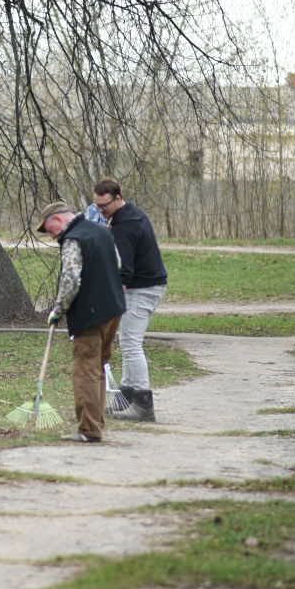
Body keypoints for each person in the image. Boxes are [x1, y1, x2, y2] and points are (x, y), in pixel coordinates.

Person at [36, 200, 126, 442]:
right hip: (114, 309)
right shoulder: (102, 231)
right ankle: (97, 423)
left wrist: (58, 310)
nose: (52, 236)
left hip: (90, 314)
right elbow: (117, 264)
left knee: (86, 370)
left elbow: (71, 279)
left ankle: (88, 430)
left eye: (49, 229)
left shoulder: (73, 239)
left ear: (56, 220)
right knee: (98, 367)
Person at [91, 178, 167, 423]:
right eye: (97, 206)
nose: (101, 211)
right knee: (126, 341)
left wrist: (107, 297)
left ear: (118, 197)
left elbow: (124, 271)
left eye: (105, 206)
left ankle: (144, 405)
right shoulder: (127, 215)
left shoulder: (126, 224)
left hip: (143, 288)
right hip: (142, 285)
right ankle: (125, 398)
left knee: (132, 343)